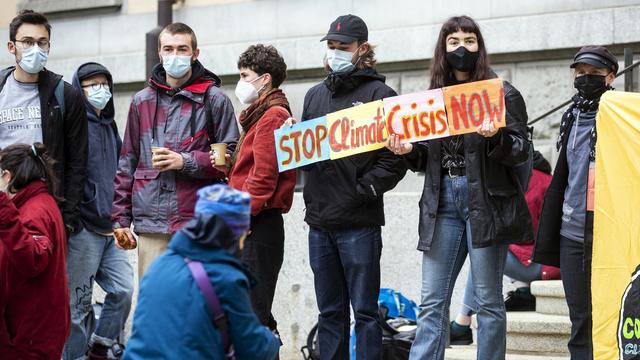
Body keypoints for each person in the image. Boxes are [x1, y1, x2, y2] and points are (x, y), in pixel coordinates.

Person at [386, 15, 532, 360]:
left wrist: (495, 135)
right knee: (432, 300)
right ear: (443, 49)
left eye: (469, 40)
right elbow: (426, 159)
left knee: (488, 300)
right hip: (442, 205)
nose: (462, 48)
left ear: (479, 47)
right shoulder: (432, 99)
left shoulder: (502, 93)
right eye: (454, 42)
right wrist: (408, 151)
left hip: (486, 202)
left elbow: (522, 150)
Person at [295, 14, 407, 359]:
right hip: (320, 223)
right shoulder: (314, 96)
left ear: (362, 49)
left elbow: (396, 157)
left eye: (343, 47)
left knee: (365, 312)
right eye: (331, 47)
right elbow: (305, 155)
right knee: (329, 312)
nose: (336, 53)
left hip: (359, 223)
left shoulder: (381, 95)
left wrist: (365, 190)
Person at [112, 22, 239, 277]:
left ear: (195, 54)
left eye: (182, 49)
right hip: (151, 223)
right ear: (159, 53)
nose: (175, 55)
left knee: (198, 304)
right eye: (168, 49)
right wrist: (121, 219)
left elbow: (232, 157)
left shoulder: (214, 99)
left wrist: (186, 161)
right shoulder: (142, 101)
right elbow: (127, 162)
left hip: (198, 222)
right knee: (155, 304)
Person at [122, 184, 280, 360]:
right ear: (234, 235)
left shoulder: (160, 264)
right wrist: (272, 338)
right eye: (244, 231)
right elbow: (254, 349)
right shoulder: (225, 278)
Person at [534, 46, 618, 360]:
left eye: (594, 73)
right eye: (580, 73)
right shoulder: (572, 114)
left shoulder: (621, 114)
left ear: (611, 76)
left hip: (609, 231)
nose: (585, 79)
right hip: (573, 231)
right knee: (579, 317)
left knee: (610, 313)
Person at [212, 44, 296, 346]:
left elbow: (264, 177)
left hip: (257, 223)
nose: (241, 82)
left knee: (252, 313)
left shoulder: (272, 115)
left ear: (265, 79)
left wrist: (243, 215)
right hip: (253, 221)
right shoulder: (260, 115)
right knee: (250, 310)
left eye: (245, 75)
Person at [450, 151, 560, 345]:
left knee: (486, 247)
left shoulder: (529, 182)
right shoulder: (545, 179)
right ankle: (523, 293)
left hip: (543, 265)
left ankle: (463, 321)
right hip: (547, 260)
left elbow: (527, 230)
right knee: (489, 244)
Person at [63, 62, 134, 360]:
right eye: (92, 84)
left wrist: (123, 216)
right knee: (77, 307)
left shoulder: (110, 126)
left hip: (112, 229)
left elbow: (120, 171)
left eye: (104, 83)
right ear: (80, 90)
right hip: (83, 231)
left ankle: (101, 346)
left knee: (124, 290)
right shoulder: (73, 127)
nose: (99, 89)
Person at [0, 10, 87, 236]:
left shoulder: (66, 95)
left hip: (45, 209)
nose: (35, 49)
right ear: (12, 47)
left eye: (42, 42)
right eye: (27, 42)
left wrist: (67, 221)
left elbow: (77, 163)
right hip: (3, 203)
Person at [0, 143, 70, 359]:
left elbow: (33, 258)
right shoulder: (37, 203)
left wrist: (2, 207)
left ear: (7, 176)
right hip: (34, 331)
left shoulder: (34, 211)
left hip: (28, 336)